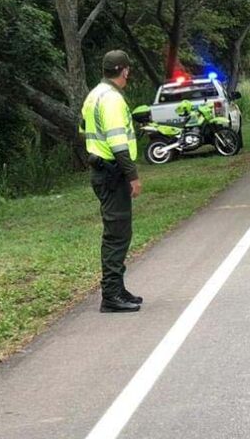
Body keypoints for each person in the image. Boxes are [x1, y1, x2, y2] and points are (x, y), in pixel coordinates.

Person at [80, 50, 143, 313]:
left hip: (101, 170)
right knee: (117, 234)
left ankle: (117, 288)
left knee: (118, 232)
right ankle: (111, 295)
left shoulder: (94, 95)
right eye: (128, 69)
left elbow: (83, 129)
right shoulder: (113, 99)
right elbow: (118, 144)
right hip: (112, 173)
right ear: (124, 70)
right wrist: (133, 176)